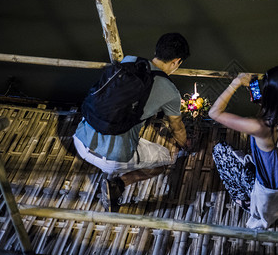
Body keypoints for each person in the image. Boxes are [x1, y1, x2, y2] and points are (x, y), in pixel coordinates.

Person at [73, 33, 190, 212]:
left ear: (156, 50)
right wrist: (186, 145)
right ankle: (117, 184)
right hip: (111, 159)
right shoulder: (171, 91)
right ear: (176, 62)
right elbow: (177, 128)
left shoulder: (130, 60)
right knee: (164, 160)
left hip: (80, 140)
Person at [209, 64, 278, 229]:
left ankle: (244, 201)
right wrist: (264, 102)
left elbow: (214, 113)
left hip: (267, 190)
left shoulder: (262, 128)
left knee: (219, 151)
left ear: (270, 97)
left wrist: (235, 82)